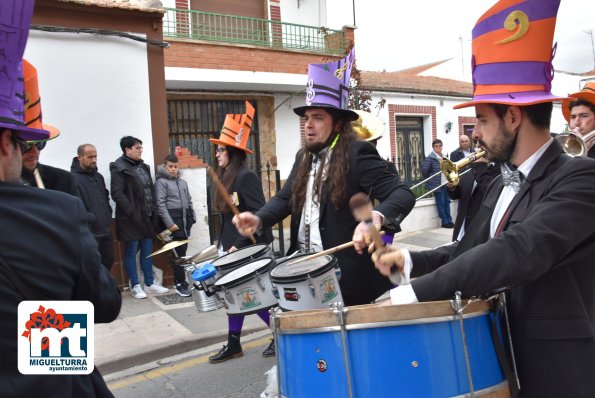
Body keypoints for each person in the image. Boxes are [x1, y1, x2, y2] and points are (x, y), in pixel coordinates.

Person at [371, 1, 595, 396]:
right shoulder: (497, 181)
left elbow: (518, 250)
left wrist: (415, 294)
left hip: (559, 371)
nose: (475, 133)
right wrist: (408, 261)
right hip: (496, 356)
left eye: (483, 120)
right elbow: (468, 250)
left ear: (513, 118)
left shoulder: (580, 178)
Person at [0, 4, 121, 393]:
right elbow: (104, 304)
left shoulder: (57, 190)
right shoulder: (56, 214)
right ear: (7, 144)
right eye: (23, 144)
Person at [234, 50, 416, 307]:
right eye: (306, 118)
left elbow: (402, 193)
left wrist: (376, 217)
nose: (308, 125)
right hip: (303, 272)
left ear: (339, 124)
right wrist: (259, 218)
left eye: (318, 118)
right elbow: (285, 199)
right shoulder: (303, 157)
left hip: (346, 279)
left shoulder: (358, 153)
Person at [206, 101, 275, 363]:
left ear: (233, 153)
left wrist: (237, 244)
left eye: (221, 150)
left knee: (255, 298)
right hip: (231, 249)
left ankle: (280, 333)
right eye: (217, 150)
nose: (217, 155)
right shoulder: (226, 178)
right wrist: (222, 245)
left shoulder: (246, 177)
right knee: (234, 296)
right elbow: (227, 218)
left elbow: (259, 213)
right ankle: (234, 343)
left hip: (248, 249)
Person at [110, 136, 169, 299]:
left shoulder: (143, 167)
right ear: (127, 150)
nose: (141, 150)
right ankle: (135, 285)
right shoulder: (118, 167)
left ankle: (150, 284)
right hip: (131, 219)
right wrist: (131, 211)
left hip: (148, 217)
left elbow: (148, 190)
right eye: (137, 148)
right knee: (131, 252)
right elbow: (117, 193)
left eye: (141, 148)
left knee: (147, 251)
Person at [19, 61, 77, 196]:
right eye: (27, 145)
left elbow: (82, 216)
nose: (35, 152)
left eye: (40, 144)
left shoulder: (62, 181)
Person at [154, 154, 195, 297]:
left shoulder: (183, 182)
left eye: (175, 166)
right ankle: (179, 284)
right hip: (172, 223)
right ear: (165, 166)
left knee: (182, 253)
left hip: (184, 223)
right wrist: (170, 225)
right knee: (177, 254)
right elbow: (160, 205)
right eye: (170, 166)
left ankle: (182, 281)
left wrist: (192, 217)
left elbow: (189, 201)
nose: (173, 169)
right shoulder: (161, 182)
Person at [447, 137, 501, 241]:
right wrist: (452, 187)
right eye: (476, 146)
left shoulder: (501, 170)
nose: (477, 150)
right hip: (462, 229)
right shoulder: (472, 167)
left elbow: (491, 193)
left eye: (481, 147)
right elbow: (458, 195)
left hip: (480, 232)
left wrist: (481, 167)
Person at [71, 144, 114, 270]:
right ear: (80, 157)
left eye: (95, 156)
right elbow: (76, 206)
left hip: (105, 229)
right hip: (90, 233)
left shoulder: (98, 176)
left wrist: (107, 214)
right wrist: (90, 220)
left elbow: (105, 197)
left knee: (108, 260)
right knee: (92, 268)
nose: (94, 160)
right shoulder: (73, 179)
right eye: (90, 157)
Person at [421, 139, 454, 228]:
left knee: (447, 202)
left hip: (445, 183)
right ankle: (444, 221)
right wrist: (431, 180)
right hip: (437, 184)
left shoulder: (444, 157)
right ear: (433, 148)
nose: (438, 147)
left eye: (440, 145)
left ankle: (449, 220)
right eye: (436, 146)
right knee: (441, 203)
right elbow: (424, 171)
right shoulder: (430, 158)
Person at [561, 81, 595, 158]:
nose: (576, 123)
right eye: (573, 117)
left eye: (584, 116)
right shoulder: (562, 145)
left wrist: (584, 155)